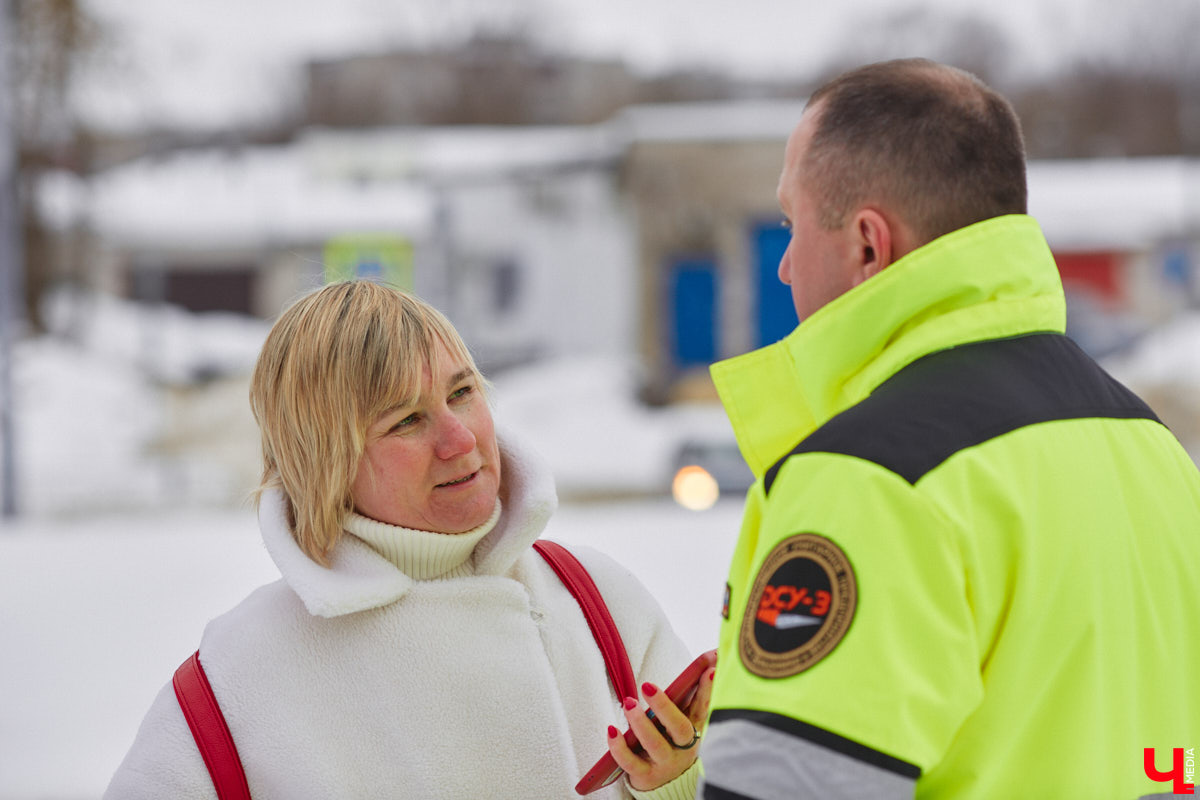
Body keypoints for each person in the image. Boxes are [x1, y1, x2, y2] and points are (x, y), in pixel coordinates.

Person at [696, 58, 1200, 799]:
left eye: (789, 223)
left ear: (868, 243)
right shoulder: (1149, 448)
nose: (783, 267)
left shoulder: (872, 477)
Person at [105, 280, 713, 799]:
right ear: (328, 462)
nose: (460, 440)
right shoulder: (239, 678)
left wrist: (676, 782)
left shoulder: (597, 599)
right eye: (406, 421)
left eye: (462, 393)